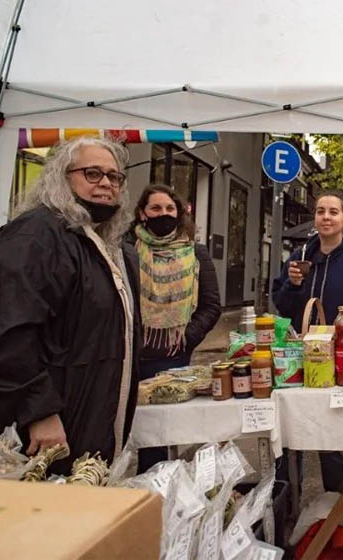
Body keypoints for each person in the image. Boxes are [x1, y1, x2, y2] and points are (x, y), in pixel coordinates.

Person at [0, 137, 142, 473]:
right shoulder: (35, 235)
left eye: (115, 177)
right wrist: (38, 410)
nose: (106, 184)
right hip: (36, 432)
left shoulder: (105, 243)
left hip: (83, 418)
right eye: (92, 173)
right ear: (62, 177)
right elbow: (2, 335)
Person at [271, 191, 343, 492]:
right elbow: (282, 305)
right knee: (290, 436)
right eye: (320, 211)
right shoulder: (300, 257)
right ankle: (286, 506)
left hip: (337, 360)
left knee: (331, 438)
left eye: (332, 212)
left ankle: (335, 512)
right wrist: (292, 285)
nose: (325, 217)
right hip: (298, 359)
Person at [128, 184, 222, 472]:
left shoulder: (196, 253)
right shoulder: (127, 251)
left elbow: (211, 305)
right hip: (131, 356)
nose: (163, 214)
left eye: (170, 209)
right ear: (143, 213)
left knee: (163, 436)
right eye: (156, 208)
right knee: (129, 432)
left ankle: (159, 492)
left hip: (173, 358)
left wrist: (186, 339)